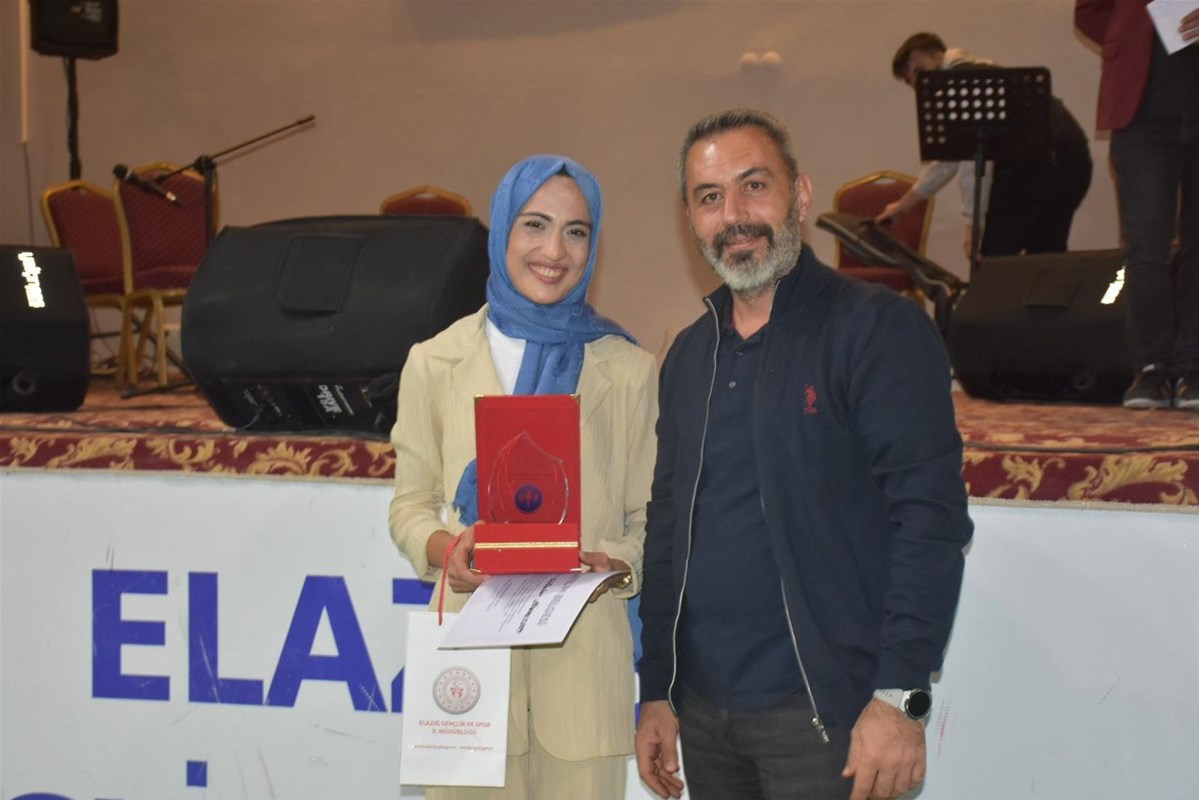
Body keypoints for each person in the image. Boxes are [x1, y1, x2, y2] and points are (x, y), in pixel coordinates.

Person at [635, 109, 973, 800]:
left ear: (801, 194)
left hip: (828, 716)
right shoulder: (690, 355)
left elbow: (930, 520)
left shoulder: (875, 329)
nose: (734, 215)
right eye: (709, 197)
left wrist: (899, 694)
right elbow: (667, 529)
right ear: (691, 218)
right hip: (704, 716)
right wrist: (658, 688)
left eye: (754, 186)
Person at [389, 154, 657, 799]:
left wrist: (614, 563)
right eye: (535, 224)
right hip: (471, 683)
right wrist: (449, 551)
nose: (554, 251)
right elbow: (410, 506)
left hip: (584, 680)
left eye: (576, 231)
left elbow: (654, 519)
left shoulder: (629, 370)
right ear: (502, 229)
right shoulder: (434, 362)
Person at [1075, 1, 1199, 410]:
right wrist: (1129, 42)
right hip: (1142, 116)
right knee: (1146, 248)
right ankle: (1151, 368)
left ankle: (1194, 366)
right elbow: (1089, 12)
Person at [876, 32, 1093, 262]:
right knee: (1045, 259)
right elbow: (949, 158)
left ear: (939, 56)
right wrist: (903, 206)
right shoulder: (982, 69)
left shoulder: (962, 84)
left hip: (1035, 168)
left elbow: (973, 160)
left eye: (920, 71)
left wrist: (974, 225)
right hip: (1073, 162)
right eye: (911, 81)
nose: (920, 85)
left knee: (991, 260)